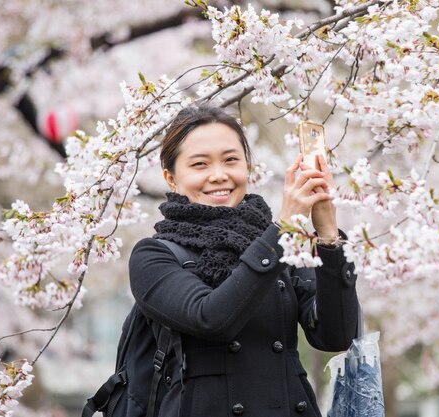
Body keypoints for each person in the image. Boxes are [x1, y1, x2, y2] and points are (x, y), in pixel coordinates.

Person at [128, 104, 359, 417]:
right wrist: (282, 230)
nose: (219, 175)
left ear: (247, 167)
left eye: (231, 160)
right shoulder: (154, 255)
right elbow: (211, 318)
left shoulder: (279, 246)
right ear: (171, 177)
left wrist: (328, 235)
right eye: (199, 165)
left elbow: (335, 336)